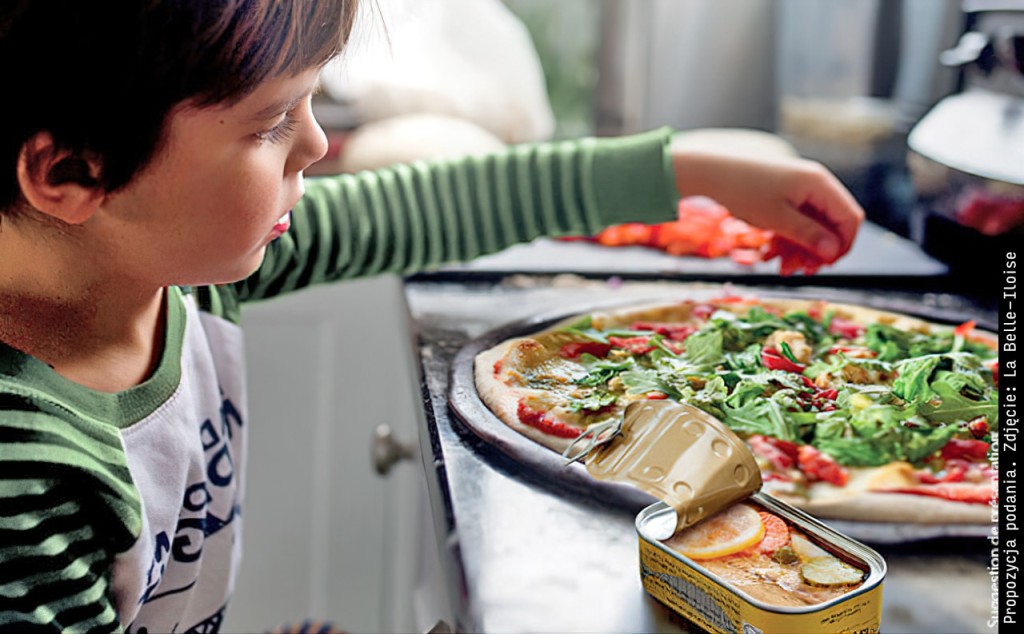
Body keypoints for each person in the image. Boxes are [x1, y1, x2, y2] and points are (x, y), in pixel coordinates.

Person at [0, 1, 863, 631]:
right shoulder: (26, 476)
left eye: (312, 103)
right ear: (73, 170)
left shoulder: (165, 272)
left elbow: (435, 201)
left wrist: (689, 173)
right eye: (269, 124)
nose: (317, 145)